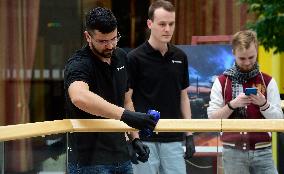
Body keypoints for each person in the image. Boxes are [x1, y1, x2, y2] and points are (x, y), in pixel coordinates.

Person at [64, 7, 158, 174]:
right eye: (102, 41)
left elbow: (126, 100)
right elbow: (79, 96)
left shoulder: (121, 56)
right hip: (89, 161)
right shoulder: (79, 63)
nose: (110, 46)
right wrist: (125, 115)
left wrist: (135, 139)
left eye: (114, 38)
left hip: (121, 155)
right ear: (88, 37)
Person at [127, 1, 195, 174]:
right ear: (150, 24)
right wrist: (133, 138)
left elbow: (184, 97)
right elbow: (127, 100)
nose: (167, 29)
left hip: (173, 137)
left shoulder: (180, 57)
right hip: (144, 138)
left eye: (171, 24)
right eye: (162, 24)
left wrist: (189, 134)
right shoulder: (134, 58)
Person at [207, 30, 284, 174]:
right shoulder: (221, 81)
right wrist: (232, 105)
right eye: (242, 58)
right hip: (232, 152)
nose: (248, 62)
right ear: (233, 53)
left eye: (251, 57)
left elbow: (280, 121)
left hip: (264, 151)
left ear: (257, 52)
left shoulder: (268, 81)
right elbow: (212, 120)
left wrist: (264, 104)